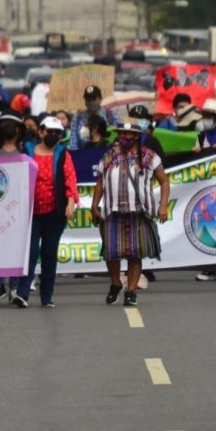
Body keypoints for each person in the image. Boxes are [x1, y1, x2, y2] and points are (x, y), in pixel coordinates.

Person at [91, 120, 170, 307]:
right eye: (121, 134)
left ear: (136, 136)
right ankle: (116, 283)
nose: (124, 137)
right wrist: (94, 205)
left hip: (139, 212)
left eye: (129, 134)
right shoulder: (109, 155)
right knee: (111, 253)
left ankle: (131, 291)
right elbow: (100, 182)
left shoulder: (150, 157)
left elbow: (164, 182)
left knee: (135, 254)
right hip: (112, 211)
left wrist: (163, 206)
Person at [12, 117, 78, 308]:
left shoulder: (62, 154)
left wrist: (71, 201)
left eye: (58, 133)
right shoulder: (28, 151)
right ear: (40, 132)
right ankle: (22, 294)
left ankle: (46, 297)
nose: (54, 136)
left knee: (49, 254)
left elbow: (70, 178)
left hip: (54, 213)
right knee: (30, 253)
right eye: (50, 131)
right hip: (30, 212)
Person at [0, 112, 29, 305]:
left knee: (17, 247)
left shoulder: (25, 150)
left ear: (19, 129)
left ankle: (15, 287)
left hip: (18, 207)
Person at [192, 99, 216, 283]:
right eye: (204, 115)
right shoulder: (200, 136)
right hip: (207, 191)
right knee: (209, 227)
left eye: (209, 116)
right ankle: (210, 269)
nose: (206, 119)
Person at [69, 86, 120, 150]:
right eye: (88, 100)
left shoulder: (111, 115)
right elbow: (73, 143)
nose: (91, 102)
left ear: (100, 99)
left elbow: (117, 139)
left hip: (107, 155)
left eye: (94, 99)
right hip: (83, 155)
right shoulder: (77, 118)